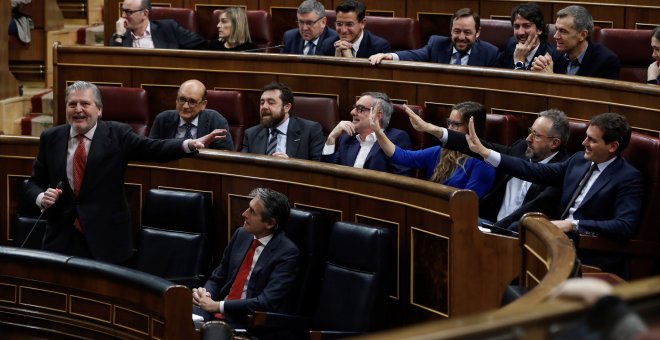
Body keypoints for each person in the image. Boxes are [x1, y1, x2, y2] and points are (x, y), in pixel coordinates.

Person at [24, 81, 226, 264]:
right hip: (61, 238)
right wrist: (42, 197)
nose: (78, 110)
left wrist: (189, 144)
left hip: (106, 239)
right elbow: (34, 182)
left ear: (99, 110)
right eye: (72, 104)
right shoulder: (51, 138)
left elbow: (153, 148)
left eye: (85, 104)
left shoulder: (117, 134)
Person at [465, 112, 643, 276]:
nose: (584, 143)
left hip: (589, 251)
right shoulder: (578, 160)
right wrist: (485, 152)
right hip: (556, 239)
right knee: (502, 231)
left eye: (592, 140)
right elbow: (533, 171)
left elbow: (623, 226)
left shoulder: (628, 178)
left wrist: (572, 225)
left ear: (612, 146)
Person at [192, 188, 299, 327]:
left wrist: (219, 306)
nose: (244, 214)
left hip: (247, 321)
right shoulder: (241, 235)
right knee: (177, 315)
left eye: (252, 212)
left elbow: (266, 302)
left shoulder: (287, 253)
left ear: (270, 223)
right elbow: (218, 277)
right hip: (216, 312)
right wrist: (205, 295)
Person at [369, 101, 495, 198]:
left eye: (456, 124)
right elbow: (401, 156)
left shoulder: (483, 161)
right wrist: (378, 131)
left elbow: (467, 202)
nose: (450, 128)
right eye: (449, 122)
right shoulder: (440, 151)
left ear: (472, 128)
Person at [368, 8, 499, 67]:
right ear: (450, 29)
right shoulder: (437, 44)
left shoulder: (490, 53)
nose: (461, 37)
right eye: (457, 31)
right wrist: (389, 56)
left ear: (478, 32)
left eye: (467, 32)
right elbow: (415, 55)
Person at [321, 92, 412, 176]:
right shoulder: (347, 138)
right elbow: (327, 175)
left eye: (360, 109)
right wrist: (331, 138)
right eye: (354, 107)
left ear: (378, 116)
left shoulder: (396, 139)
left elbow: (402, 179)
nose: (352, 112)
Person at [531, 5, 620, 80]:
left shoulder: (606, 61)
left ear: (582, 35)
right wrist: (538, 74)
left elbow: (594, 99)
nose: (555, 36)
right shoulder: (555, 55)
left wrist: (552, 78)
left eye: (563, 31)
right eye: (556, 30)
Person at [241, 82, 324, 160]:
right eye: (262, 103)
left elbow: (318, 167)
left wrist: (291, 164)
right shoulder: (251, 134)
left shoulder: (310, 131)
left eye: (271, 102)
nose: (264, 107)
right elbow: (243, 168)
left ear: (286, 107)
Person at [149, 79, 234, 151]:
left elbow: (226, 156)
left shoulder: (216, 121)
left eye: (192, 102)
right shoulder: (163, 119)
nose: (185, 106)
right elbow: (151, 150)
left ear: (203, 104)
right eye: (182, 99)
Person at [110, 0, 208, 49]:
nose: (123, 16)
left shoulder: (168, 28)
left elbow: (202, 44)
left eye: (128, 12)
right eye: (122, 11)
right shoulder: (121, 35)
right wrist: (119, 35)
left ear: (145, 13)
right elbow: (113, 62)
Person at [319, 0, 391, 58]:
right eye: (339, 24)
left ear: (362, 23)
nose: (343, 30)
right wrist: (336, 61)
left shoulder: (379, 47)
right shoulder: (328, 44)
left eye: (349, 24)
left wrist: (351, 60)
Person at [498, 2, 555, 70]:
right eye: (516, 26)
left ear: (539, 29)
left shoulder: (551, 55)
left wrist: (519, 61)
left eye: (526, 26)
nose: (520, 32)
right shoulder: (511, 45)